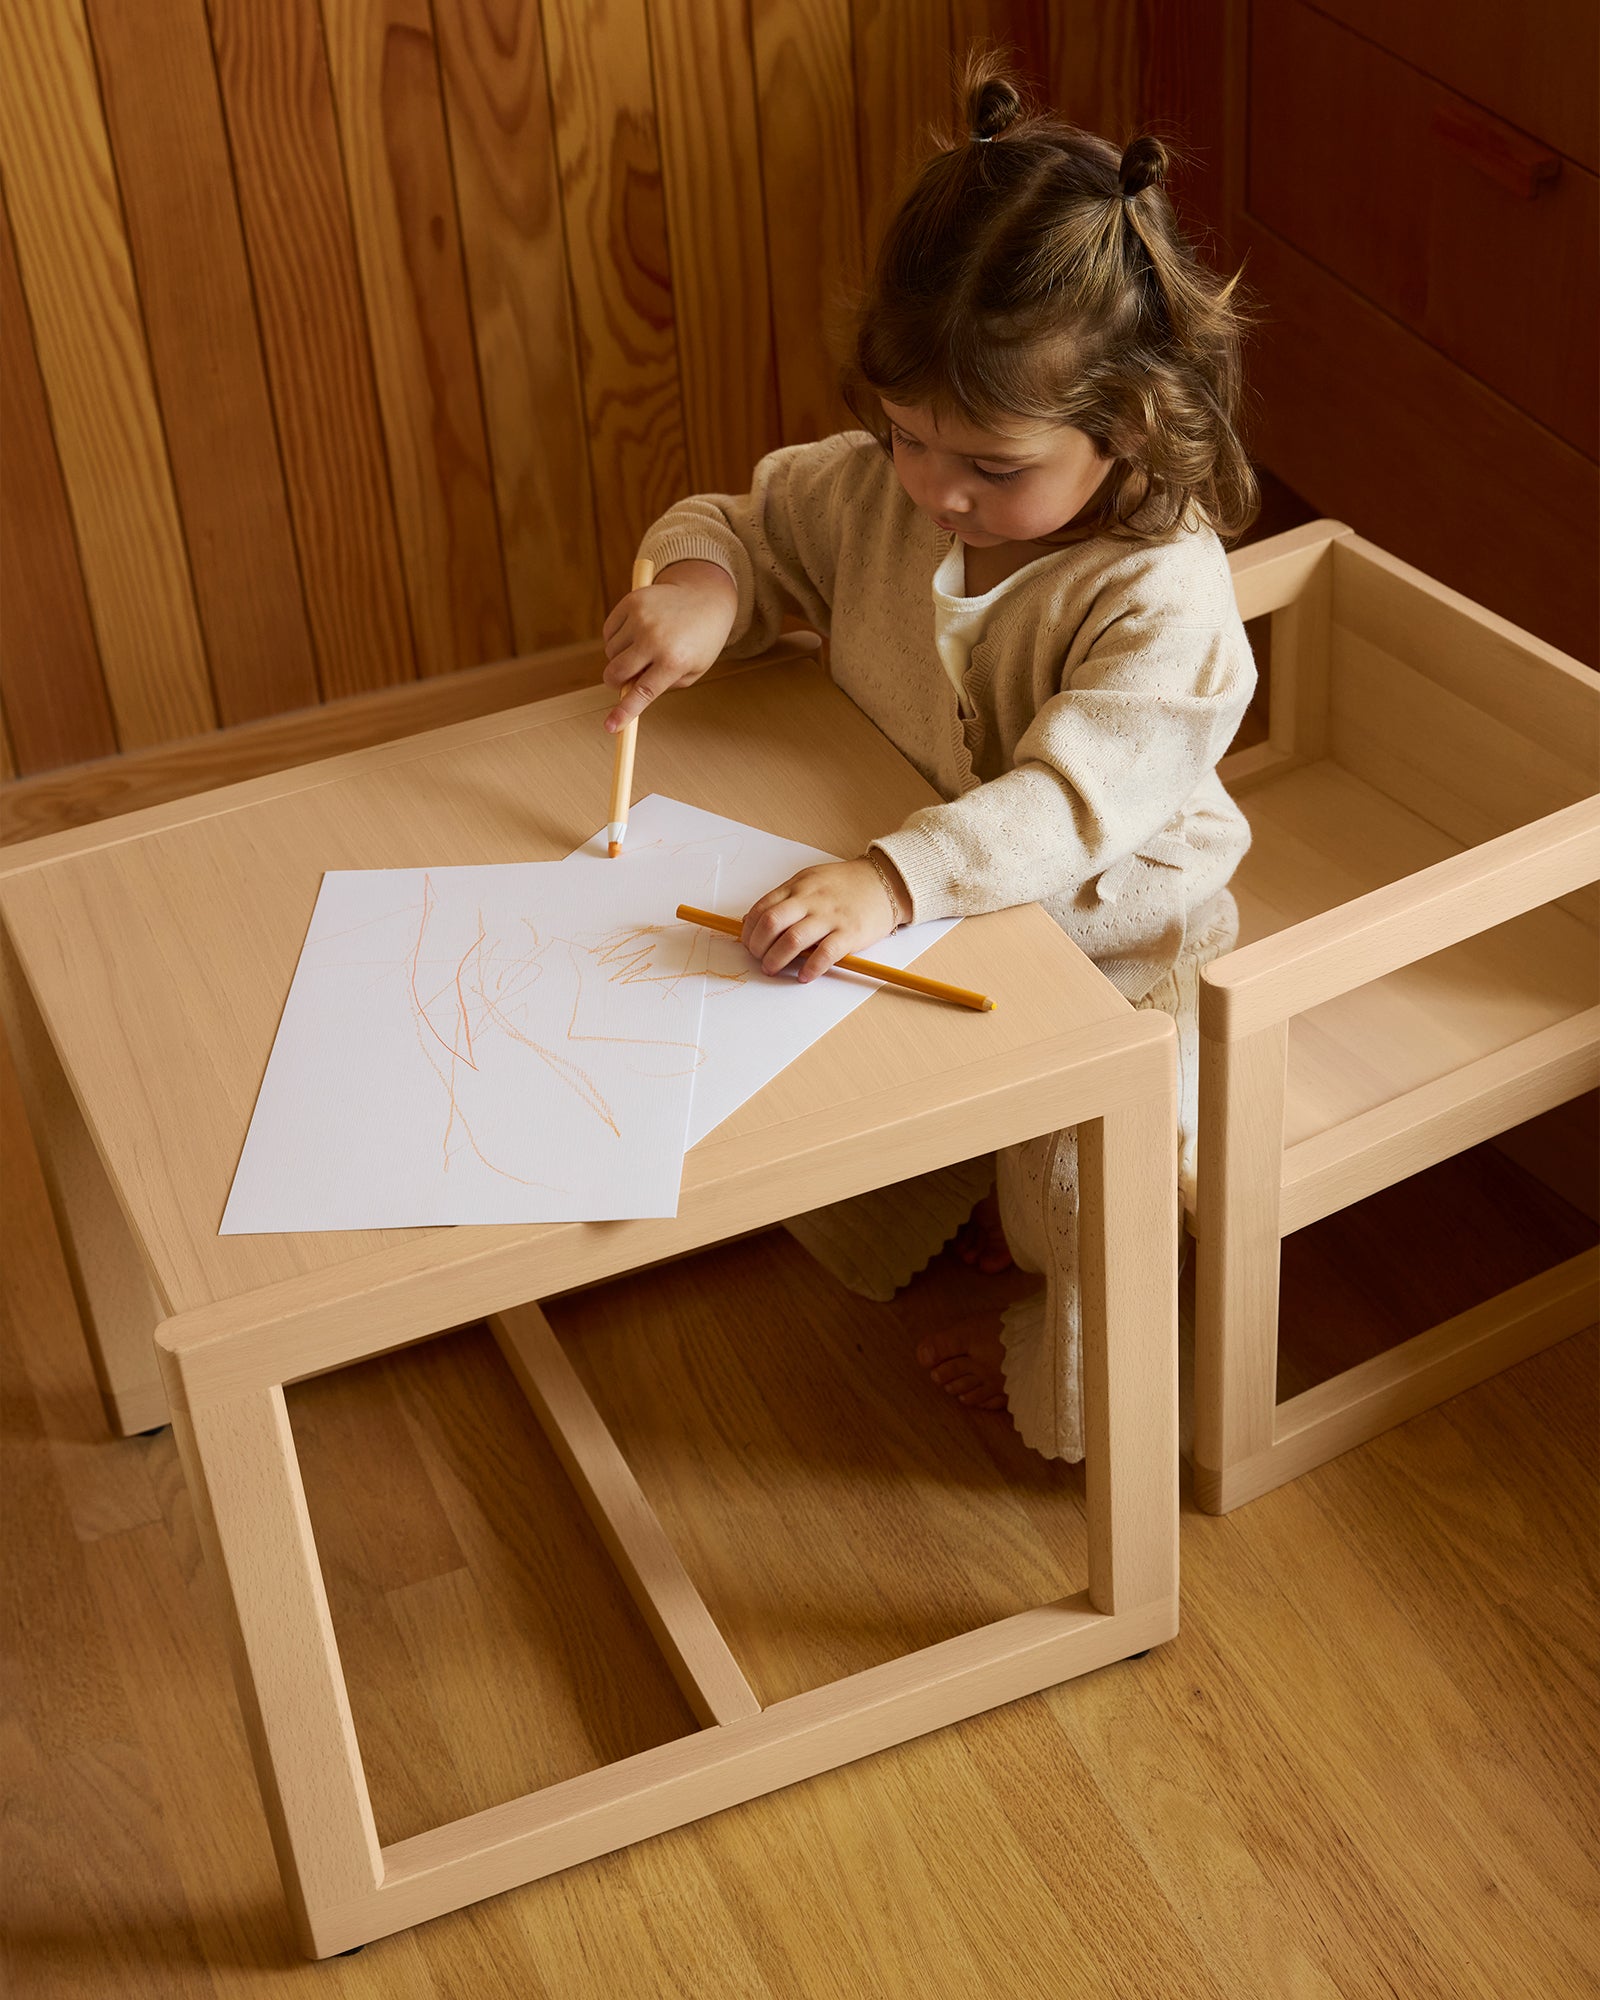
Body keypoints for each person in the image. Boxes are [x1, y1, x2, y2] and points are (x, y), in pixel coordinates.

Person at [597, 52, 1259, 1461]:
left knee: (1084, 1197)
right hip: (920, 890)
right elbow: (748, 516)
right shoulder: (887, 487)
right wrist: (706, 589)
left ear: (1129, 426)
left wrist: (892, 882)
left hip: (1117, 942)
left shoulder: (1164, 595)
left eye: (992, 467)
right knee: (828, 1092)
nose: (935, 491)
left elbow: (1073, 806)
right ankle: (950, 1206)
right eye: (904, 437)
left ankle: (1080, 1388)